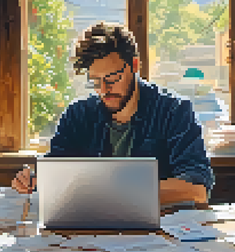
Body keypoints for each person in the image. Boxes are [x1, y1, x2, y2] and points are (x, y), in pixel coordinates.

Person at [12, 22, 214, 207]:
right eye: (95, 81)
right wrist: (34, 179)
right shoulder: (77, 115)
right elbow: (55, 172)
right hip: (88, 236)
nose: (104, 90)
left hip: (158, 235)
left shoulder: (174, 111)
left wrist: (112, 191)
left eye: (112, 78)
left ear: (134, 66)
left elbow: (196, 190)